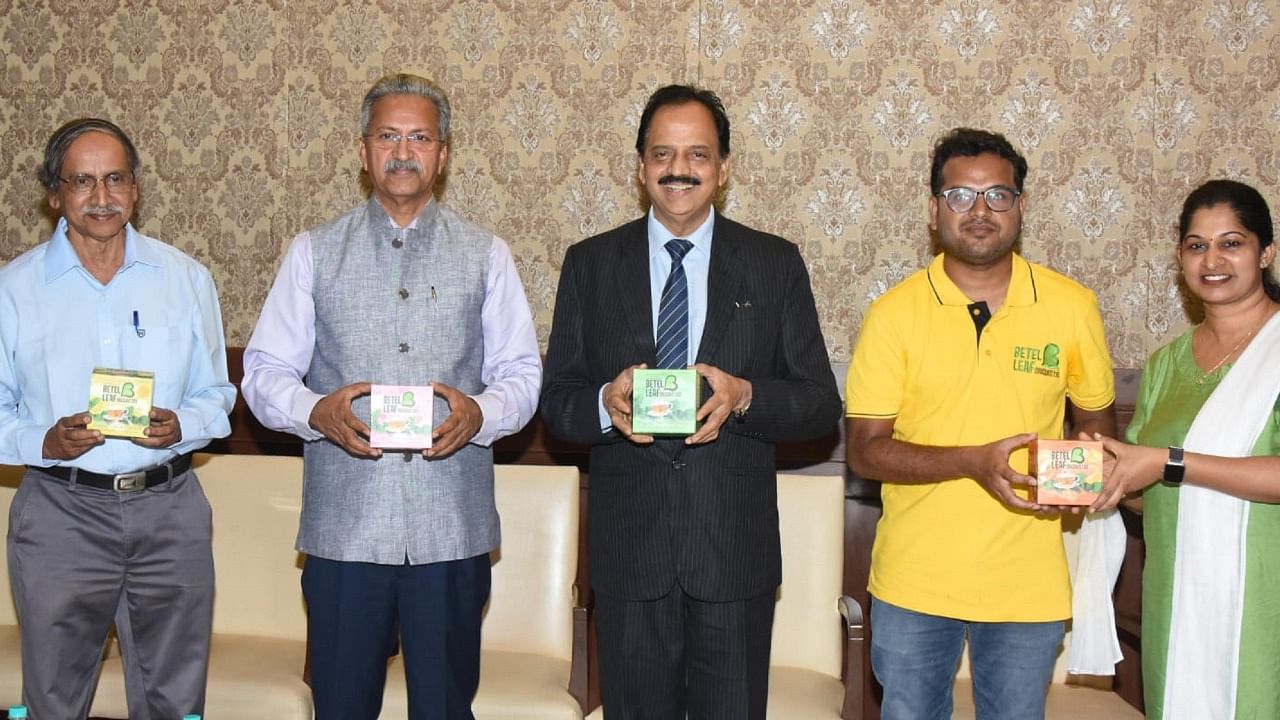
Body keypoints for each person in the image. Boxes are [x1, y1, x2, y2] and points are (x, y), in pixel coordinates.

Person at [241, 74, 541, 719]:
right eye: (387, 136)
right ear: (362, 150)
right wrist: (313, 411)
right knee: (342, 707)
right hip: (345, 532)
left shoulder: (487, 254)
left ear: (443, 153)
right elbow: (264, 372)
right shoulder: (312, 252)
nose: (403, 152)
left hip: (450, 530)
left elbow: (522, 372)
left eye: (420, 137)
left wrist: (481, 412)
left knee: (443, 708)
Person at [540, 84, 842, 719]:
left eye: (698, 154)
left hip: (732, 555)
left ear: (724, 167)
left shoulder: (773, 263)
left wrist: (744, 396)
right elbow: (558, 406)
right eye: (662, 154)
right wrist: (605, 404)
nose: (679, 169)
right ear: (641, 165)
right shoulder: (590, 264)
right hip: (631, 556)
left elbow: (819, 405)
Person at [844, 127, 1118, 720]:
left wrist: (1076, 481)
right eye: (960, 195)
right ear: (933, 207)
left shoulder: (1072, 306)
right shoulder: (893, 314)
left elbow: (1097, 434)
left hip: (1027, 584)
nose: (979, 212)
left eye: (997, 195)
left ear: (1021, 205)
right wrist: (972, 461)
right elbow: (865, 452)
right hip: (914, 582)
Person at [0, 118, 235, 719]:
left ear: (135, 189)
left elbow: (217, 393)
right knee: (53, 699)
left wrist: (183, 424)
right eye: (82, 181)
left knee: (176, 700)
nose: (101, 198)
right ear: (54, 193)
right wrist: (43, 439)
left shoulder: (185, 279)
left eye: (115, 179)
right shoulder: (14, 290)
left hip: (170, 510)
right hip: (60, 513)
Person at [1092, 180, 1280, 720]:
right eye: (1197, 246)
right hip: (1178, 599)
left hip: (1260, 604)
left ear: (1265, 252)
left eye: (1231, 243)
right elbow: (1149, 497)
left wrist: (1170, 463)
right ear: (1180, 258)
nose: (1212, 260)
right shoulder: (1167, 363)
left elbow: (1167, 466)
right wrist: (1109, 480)